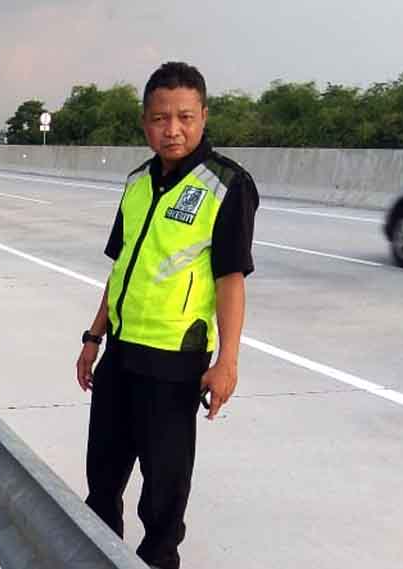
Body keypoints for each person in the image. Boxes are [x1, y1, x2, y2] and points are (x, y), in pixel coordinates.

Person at [75, 61, 259, 569]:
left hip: (174, 365)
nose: (172, 129)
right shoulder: (136, 184)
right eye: (160, 118)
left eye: (184, 116)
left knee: (162, 495)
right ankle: (101, 557)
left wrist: (228, 361)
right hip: (120, 356)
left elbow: (231, 279)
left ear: (203, 116)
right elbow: (121, 270)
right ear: (144, 122)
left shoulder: (226, 186)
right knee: (102, 480)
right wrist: (93, 338)